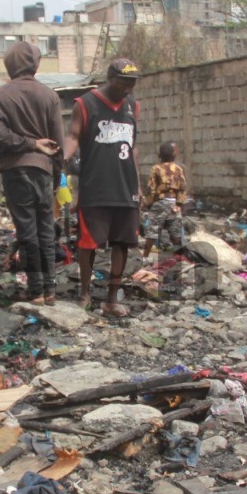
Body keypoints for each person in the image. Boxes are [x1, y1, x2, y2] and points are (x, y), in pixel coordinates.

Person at [63, 58, 142, 317]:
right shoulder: (85, 104)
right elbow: (73, 136)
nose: (127, 88)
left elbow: (134, 147)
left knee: (121, 243)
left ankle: (111, 298)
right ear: (110, 77)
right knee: (88, 243)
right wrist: (61, 159)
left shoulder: (132, 105)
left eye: (132, 83)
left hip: (125, 186)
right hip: (95, 186)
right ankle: (85, 293)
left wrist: (138, 185)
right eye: (123, 82)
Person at [0, 40, 63, 303]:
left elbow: (1, 136)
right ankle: (50, 289)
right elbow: (58, 143)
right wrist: (56, 176)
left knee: (27, 231)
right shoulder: (50, 95)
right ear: (36, 63)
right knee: (45, 229)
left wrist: (29, 144)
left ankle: (35, 290)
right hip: (43, 171)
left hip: (15, 172)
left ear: (9, 65)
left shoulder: (0, 95)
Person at [142, 141, 188, 259]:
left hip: (159, 203)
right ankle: (178, 257)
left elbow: (151, 187)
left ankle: (146, 255)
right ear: (174, 155)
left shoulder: (156, 168)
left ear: (159, 155)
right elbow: (183, 187)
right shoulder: (178, 168)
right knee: (175, 233)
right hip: (173, 203)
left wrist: (148, 202)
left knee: (152, 231)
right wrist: (179, 204)